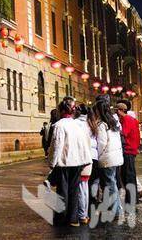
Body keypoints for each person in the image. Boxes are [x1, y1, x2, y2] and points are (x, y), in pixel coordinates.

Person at [47, 97, 90, 226]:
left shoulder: (59, 125)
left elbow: (57, 146)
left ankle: (61, 218)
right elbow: (83, 144)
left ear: (61, 110)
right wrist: (86, 159)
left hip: (64, 162)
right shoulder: (77, 125)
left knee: (62, 191)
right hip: (77, 163)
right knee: (74, 191)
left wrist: (52, 162)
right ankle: (73, 219)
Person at [93, 99, 124, 221]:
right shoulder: (113, 123)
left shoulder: (102, 125)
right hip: (115, 157)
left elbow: (101, 144)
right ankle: (115, 208)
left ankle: (116, 211)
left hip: (107, 159)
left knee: (110, 185)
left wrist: (99, 156)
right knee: (112, 183)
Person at [116, 100, 140, 204]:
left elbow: (124, 133)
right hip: (131, 149)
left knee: (128, 175)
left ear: (120, 110)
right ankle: (132, 198)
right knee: (129, 175)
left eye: (117, 111)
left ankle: (131, 199)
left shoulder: (126, 119)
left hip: (128, 150)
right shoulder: (131, 119)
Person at [74, 104, 92, 225]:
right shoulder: (90, 124)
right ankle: (84, 214)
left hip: (79, 159)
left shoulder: (75, 124)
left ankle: (82, 215)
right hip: (89, 159)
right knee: (85, 188)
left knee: (80, 188)